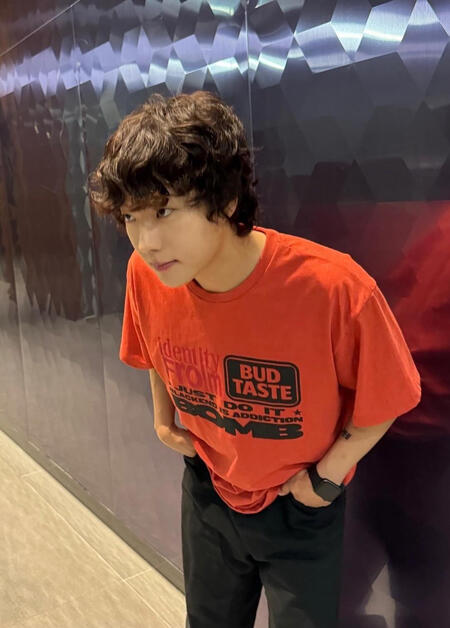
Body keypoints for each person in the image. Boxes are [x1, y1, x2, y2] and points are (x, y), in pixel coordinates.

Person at [88, 90, 422, 628]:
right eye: (131, 216)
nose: (146, 241)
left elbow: (388, 397)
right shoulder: (146, 276)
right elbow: (152, 346)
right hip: (208, 489)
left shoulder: (332, 287)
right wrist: (163, 421)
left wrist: (325, 480)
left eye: (164, 210)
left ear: (224, 200)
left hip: (299, 502)